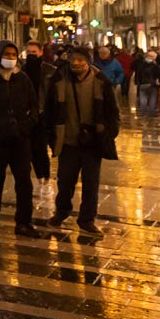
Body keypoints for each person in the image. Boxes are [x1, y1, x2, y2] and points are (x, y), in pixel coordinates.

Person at [44, 47, 120, 234]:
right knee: (65, 181)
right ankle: (61, 212)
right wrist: (49, 134)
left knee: (91, 183)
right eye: (74, 59)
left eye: (81, 60)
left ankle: (87, 219)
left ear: (89, 61)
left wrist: (110, 133)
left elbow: (112, 110)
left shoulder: (101, 81)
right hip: (68, 141)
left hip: (93, 142)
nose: (77, 63)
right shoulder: (59, 79)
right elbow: (50, 109)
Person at [0, 40, 41, 235]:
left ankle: (24, 221)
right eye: (7, 54)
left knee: (24, 180)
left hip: (20, 136)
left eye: (13, 55)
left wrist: (27, 124)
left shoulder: (22, 78)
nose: (10, 58)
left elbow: (34, 105)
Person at [22, 41, 51, 181]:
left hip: (42, 113)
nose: (31, 55)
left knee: (40, 146)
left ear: (40, 52)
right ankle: (38, 175)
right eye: (29, 52)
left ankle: (44, 174)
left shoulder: (49, 71)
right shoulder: (21, 70)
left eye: (34, 52)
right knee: (29, 147)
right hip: (26, 114)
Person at [95, 45, 126, 110]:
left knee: (112, 102)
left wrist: (116, 81)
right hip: (98, 86)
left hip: (111, 85)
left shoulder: (114, 62)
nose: (103, 55)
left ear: (108, 54)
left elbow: (121, 73)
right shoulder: (96, 62)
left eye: (105, 53)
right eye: (101, 53)